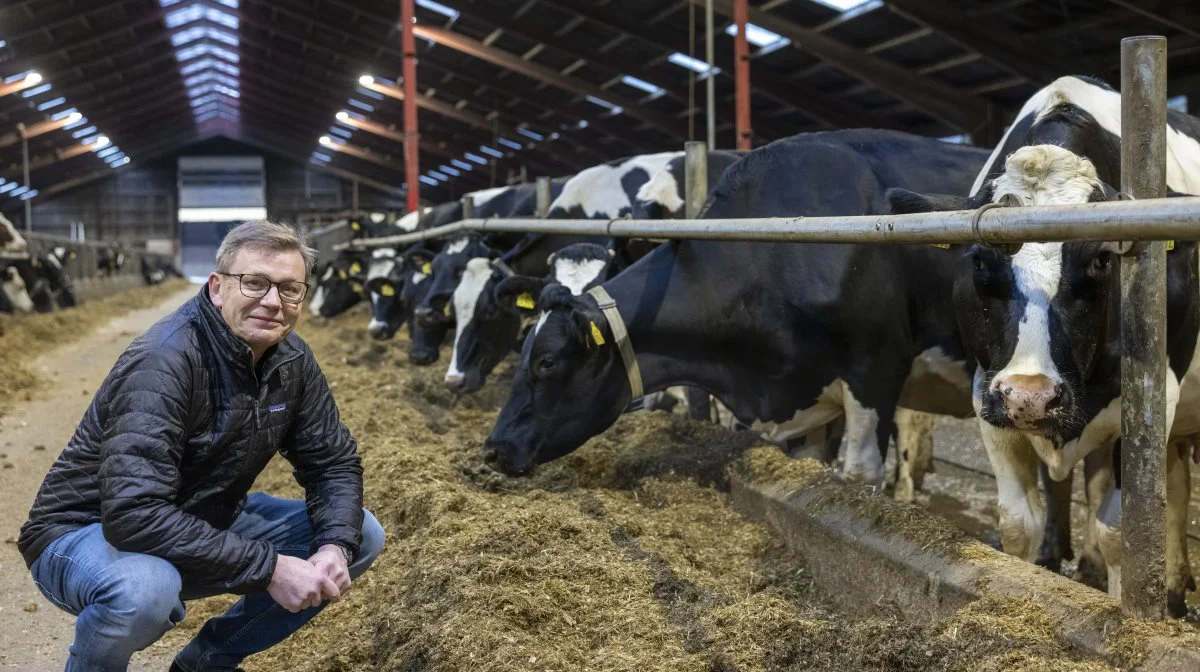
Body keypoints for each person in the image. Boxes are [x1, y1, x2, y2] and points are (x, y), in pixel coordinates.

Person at [18, 221, 385, 672]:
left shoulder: (292, 360)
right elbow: (132, 513)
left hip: (198, 516)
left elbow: (332, 463)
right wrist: (270, 567)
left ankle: (205, 663)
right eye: (255, 283)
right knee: (145, 591)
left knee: (359, 533)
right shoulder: (165, 359)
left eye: (290, 289)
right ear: (217, 287)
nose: (273, 302)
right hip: (84, 530)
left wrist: (332, 547)